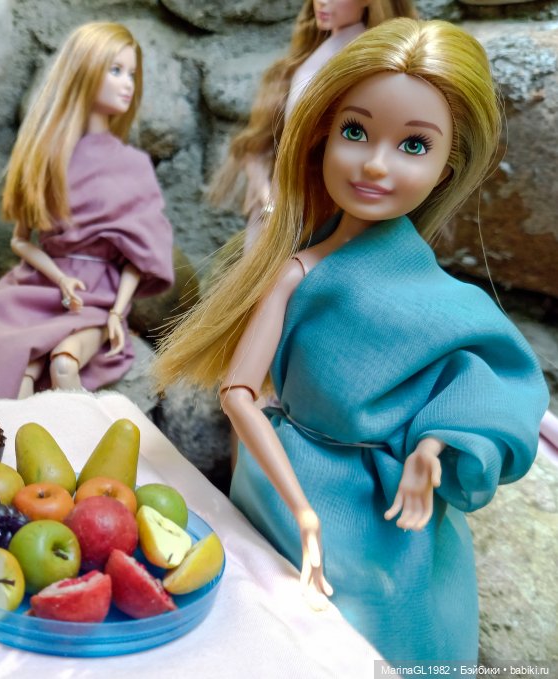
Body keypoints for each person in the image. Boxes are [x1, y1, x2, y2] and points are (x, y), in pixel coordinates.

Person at [152, 18, 549, 663]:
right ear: (321, 138)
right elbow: (238, 394)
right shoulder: (296, 273)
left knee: (415, 619)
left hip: (392, 503)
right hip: (297, 483)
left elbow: (489, 383)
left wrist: (434, 443)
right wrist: (302, 510)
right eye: (355, 133)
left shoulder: (444, 296)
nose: (375, 164)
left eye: (414, 145)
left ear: (447, 165)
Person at [0, 22, 174, 399]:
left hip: (97, 295)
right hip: (39, 287)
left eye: (131, 73)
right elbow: (21, 240)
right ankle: (13, 428)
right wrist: (59, 278)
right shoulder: (47, 158)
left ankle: (73, 431)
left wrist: (116, 312)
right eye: (115, 71)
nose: (127, 83)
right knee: (9, 362)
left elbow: (139, 257)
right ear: (84, 72)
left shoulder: (134, 165)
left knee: (62, 364)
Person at [209, 0, 417, 252]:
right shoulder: (320, 49)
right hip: (284, 193)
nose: (322, 2)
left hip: (312, 197)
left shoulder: (361, 56)